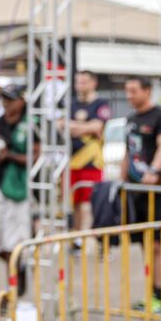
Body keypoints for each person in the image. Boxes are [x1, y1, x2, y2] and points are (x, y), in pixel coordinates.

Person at [122, 77, 161, 315]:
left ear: (147, 91)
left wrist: (154, 171)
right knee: (144, 245)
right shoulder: (131, 120)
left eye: (133, 91)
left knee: (157, 245)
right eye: (127, 91)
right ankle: (151, 292)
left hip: (157, 191)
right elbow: (128, 152)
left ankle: (160, 296)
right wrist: (121, 182)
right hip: (135, 192)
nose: (129, 96)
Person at [0, 84, 32, 311]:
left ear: (22, 100)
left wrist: (8, 155)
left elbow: (36, 156)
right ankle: (19, 269)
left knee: (14, 243)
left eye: (10, 99)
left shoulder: (33, 123)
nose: (6, 103)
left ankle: (10, 294)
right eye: (3, 99)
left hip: (17, 189)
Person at [67, 70, 111, 233]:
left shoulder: (101, 104)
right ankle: (77, 237)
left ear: (93, 83)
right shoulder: (71, 103)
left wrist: (75, 127)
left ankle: (91, 236)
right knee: (75, 203)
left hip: (92, 162)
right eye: (78, 82)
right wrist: (85, 127)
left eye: (84, 82)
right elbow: (61, 124)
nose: (80, 86)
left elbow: (97, 126)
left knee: (90, 203)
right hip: (72, 161)